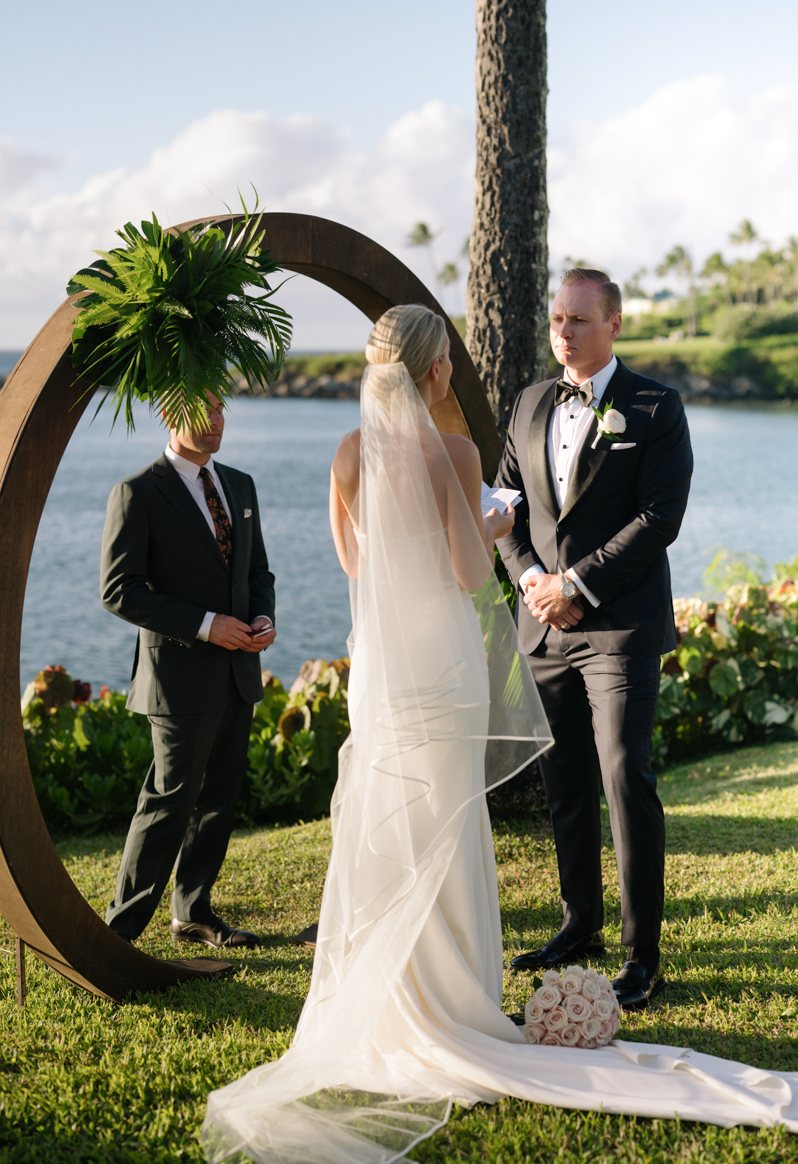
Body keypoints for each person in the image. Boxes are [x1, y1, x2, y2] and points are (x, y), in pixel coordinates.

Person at [201, 306, 798, 1164]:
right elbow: (461, 567)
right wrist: (491, 527)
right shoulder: (453, 453)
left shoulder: (345, 455)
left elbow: (354, 564)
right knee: (447, 819)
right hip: (441, 663)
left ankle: (390, 1001)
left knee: (392, 816)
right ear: (436, 372)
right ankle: (455, 999)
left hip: (381, 666)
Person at [494, 267, 693, 1008]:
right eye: (556, 319)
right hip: (543, 626)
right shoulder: (527, 402)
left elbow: (659, 517)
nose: (563, 332)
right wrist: (531, 583)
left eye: (579, 320)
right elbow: (501, 506)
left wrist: (575, 584)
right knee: (565, 786)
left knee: (624, 778)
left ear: (614, 325)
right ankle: (580, 923)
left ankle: (644, 954)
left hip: (618, 628)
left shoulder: (654, 406)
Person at [101, 394, 276, 949]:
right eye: (202, 411)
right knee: (168, 801)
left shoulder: (240, 486)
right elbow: (118, 590)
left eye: (221, 409)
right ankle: (118, 933)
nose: (216, 421)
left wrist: (262, 617)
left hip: (238, 671)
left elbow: (257, 571)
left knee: (220, 797)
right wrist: (205, 625)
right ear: (168, 415)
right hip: (176, 678)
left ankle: (192, 913)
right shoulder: (137, 493)